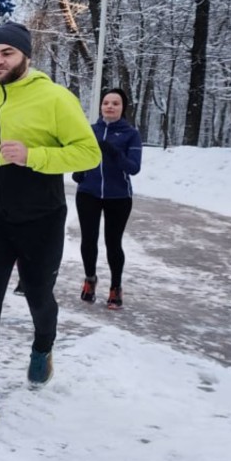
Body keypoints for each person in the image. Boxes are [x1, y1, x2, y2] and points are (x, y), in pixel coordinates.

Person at [0, 22, 100, 424]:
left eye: (7, 54)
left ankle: (42, 346)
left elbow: (89, 154)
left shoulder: (55, 98)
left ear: (26, 56)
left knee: (37, 294)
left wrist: (34, 155)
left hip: (40, 216)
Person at [73, 87, 143, 310]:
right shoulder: (89, 130)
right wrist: (79, 171)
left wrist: (114, 152)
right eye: (106, 103)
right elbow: (79, 156)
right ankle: (90, 278)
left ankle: (115, 286)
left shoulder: (131, 134)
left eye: (115, 103)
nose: (109, 106)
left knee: (113, 243)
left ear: (122, 108)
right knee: (88, 240)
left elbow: (133, 168)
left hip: (118, 196)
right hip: (88, 193)